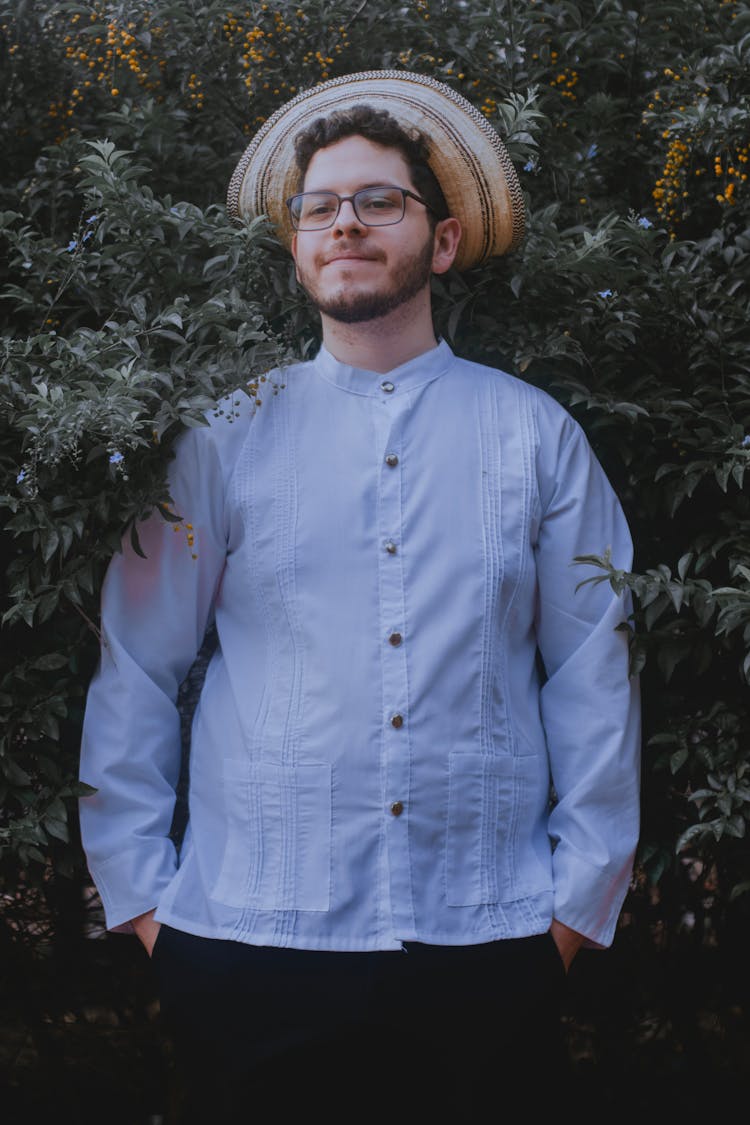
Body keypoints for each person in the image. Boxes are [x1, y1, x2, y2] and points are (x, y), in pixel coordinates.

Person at [79, 71, 641, 1121]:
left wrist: (571, 914)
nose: (346, 223)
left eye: (380, 200)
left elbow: (593, 676)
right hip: (246, 941)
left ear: (441, 240)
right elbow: (138, 667)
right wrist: (148, 905)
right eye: (319, 206)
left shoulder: (536, 437)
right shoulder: (221, 437)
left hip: (488, 942)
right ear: (297, 246)